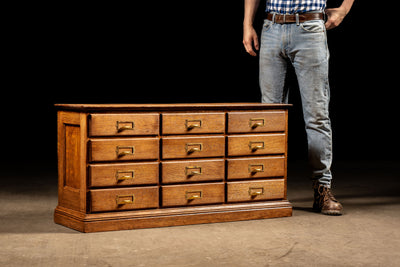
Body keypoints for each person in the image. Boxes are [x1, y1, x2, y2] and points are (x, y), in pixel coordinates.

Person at [243, 0, 354, 215]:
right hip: (271, 27)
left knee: (317, 115)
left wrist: (344, 10)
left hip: (309, 27)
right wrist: (247, 24)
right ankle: (269, 189)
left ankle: (322, 189)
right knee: (269, 117)